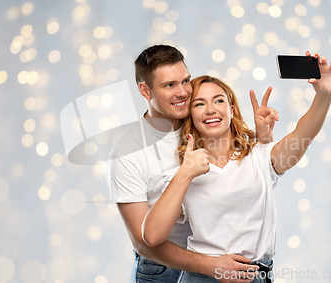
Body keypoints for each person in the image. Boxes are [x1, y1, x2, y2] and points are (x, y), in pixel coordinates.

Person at [142, 52, 331, 282]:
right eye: (199, 103)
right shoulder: (186, 168)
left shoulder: (261, 156)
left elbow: (303, 134)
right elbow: (152, 236)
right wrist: (185, 173)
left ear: (231, 110)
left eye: (219, 100)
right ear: (190, 115)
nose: (211, 109)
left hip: (257, 276)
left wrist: (324, 95)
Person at [107, 45, 279, 283]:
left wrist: (264, 139)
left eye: (185, 81)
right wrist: (210, 265)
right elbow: (142, 242)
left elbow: (250, 178)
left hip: (223, 261)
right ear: (145, 91)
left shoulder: (205, 117)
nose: (183, 93)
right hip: (162, 269)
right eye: (169, 85)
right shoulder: (128, 152)